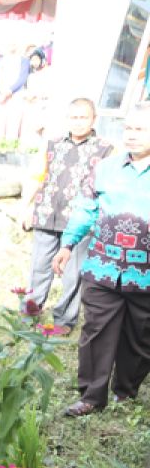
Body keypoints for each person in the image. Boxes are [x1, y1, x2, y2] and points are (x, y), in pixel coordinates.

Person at [56, 102, 150, 417]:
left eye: (140, 129)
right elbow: (86, 208)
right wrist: (68, 243)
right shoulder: (106, 167)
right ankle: (92, 397)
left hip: (146, 274)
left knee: (141, 338)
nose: (132, 136)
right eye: (128, 129)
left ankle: (126, 391)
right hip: (103, 267)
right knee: (95, 331)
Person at [23, 99, 113, 332]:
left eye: (83, 117)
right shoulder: (53, 144)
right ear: (67, 119)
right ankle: (29, 314)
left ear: (94, 119)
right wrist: (25, 206)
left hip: (80, 222)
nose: (78, 122)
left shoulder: (106, 149)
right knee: (39, 268)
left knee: (73, 274)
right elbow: (36, 176)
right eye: (74, 117)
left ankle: (64, 320)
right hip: (46, 214)